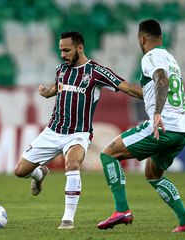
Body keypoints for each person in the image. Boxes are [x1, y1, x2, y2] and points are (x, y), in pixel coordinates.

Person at [14, 31, 143, 229]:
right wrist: (46, 92)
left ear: (79, 48)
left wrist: (154, 98)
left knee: (72, 164)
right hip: (53, 131)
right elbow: (56, 88)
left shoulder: (96, 72)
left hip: (78, 133)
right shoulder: (61, 70)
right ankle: (39, 174)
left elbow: (126, 87)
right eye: (60, 50)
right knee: (20, 171)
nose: (63, 54)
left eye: (66, 50)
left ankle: (67, 220)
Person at [96, 19, 185, 232]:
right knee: (153, 175)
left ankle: (121, 210)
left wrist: (158, 113)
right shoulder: (171, 59)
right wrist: (125, 87)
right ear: (161, 37)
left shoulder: (150, 57)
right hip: (182, 130)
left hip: (163, 126)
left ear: (141, 39)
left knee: (108, 154)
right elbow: (157, 87)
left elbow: (161, 80)